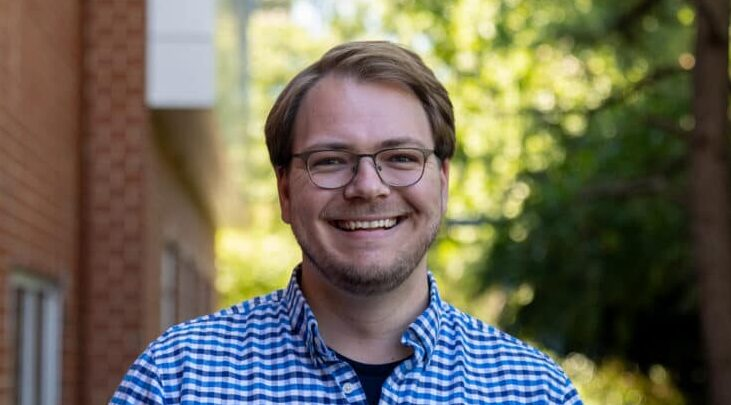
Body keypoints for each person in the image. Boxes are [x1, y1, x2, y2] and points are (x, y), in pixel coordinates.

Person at [111, 41, 583, 404]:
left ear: (442, 181)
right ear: (286, 191)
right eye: (331, 160)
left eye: (400, 157)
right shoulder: (176, 380)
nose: (367, 186)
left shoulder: (535, 391)